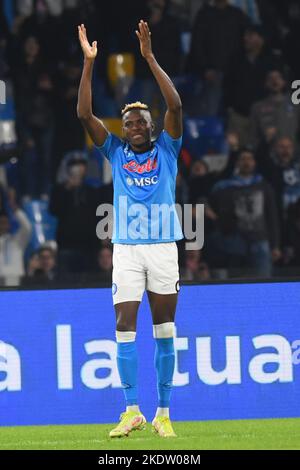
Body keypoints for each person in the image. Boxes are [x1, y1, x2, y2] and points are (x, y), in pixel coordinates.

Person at [77, 20, 182, 438]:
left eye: (141, 122)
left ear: (152, 128)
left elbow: (174, 105)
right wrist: (89, 64)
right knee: (124, 326)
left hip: (162, 248)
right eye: (129, 123)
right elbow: (84, 113)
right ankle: (131, 409)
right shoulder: (115, 152)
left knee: (165, 330)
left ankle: (164, 413)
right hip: (126, 248)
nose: (135, 127)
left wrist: (150, 59)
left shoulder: (169, 149)